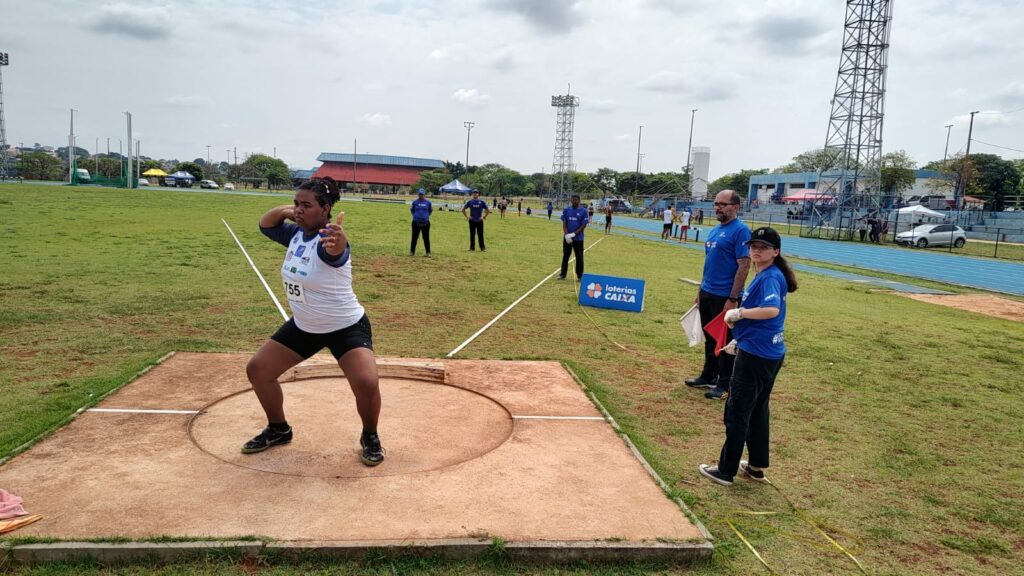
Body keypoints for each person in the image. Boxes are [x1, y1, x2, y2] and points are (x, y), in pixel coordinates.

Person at [242, 177, 384, 466]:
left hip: (345, 327)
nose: (299, 210)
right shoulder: (294, 234)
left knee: (366, 382)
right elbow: (265, 225)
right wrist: (287, 210)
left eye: (306, 205)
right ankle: (278, 429)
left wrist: (338, 242)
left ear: (326, 208)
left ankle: (370, 435)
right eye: (297, 204)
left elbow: (335, 252)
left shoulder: (328, 241)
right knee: (258, 370)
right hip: (305, 325)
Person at [698, 227, 798, 486]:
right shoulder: (768, 274)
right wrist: (739, 340)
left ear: (776, 252)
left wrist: (740, 313)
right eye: (754, 245)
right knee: (757, 410)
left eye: (763, 247)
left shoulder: (770, 277)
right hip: (765, 350)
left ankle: (725, 470)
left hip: (758, 355)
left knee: (738, 411)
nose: (756, 250)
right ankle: (755, 466)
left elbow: (771, 310)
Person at [685, 190, 752, 400]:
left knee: (724, 342)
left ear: (736, 207)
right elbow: (709, 264)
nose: (718, 208)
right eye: (716, 204)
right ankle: (709, 375)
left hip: (725, 297)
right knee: (711, 339)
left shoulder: (741, 231)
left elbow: (744, 266)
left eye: (723, 204)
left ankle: (724, 385)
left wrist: (732, 298)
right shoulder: (714, 230)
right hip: (707, 292)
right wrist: (700, 291)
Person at [559, 194, 590, 280]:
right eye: (573, 199)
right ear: (571, 200)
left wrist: (574, 234)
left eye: (576, 200)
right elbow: (564, 223)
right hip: (567, 238)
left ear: (579, 201)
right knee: (565, 255)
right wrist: (566, 235)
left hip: (578, 239)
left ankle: (580, 276)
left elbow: (583, 225)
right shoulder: (566, 210)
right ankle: (562, 274)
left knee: (579, 257)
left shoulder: (583, 211)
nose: (574, 201)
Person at [409, 188, 432, 257]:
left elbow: (430, 211)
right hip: (416, 222)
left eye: (422, 194)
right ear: (418, 194)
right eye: (419, 194)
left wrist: (426, 216)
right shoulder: (415, 202)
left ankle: (428, 252)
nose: (420, 195)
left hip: (425, 223)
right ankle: (412, 252)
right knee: (414, 237)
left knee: (426, 238)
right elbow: (412, 210)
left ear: (424, 195)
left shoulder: (428, 203)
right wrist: (416, 216)